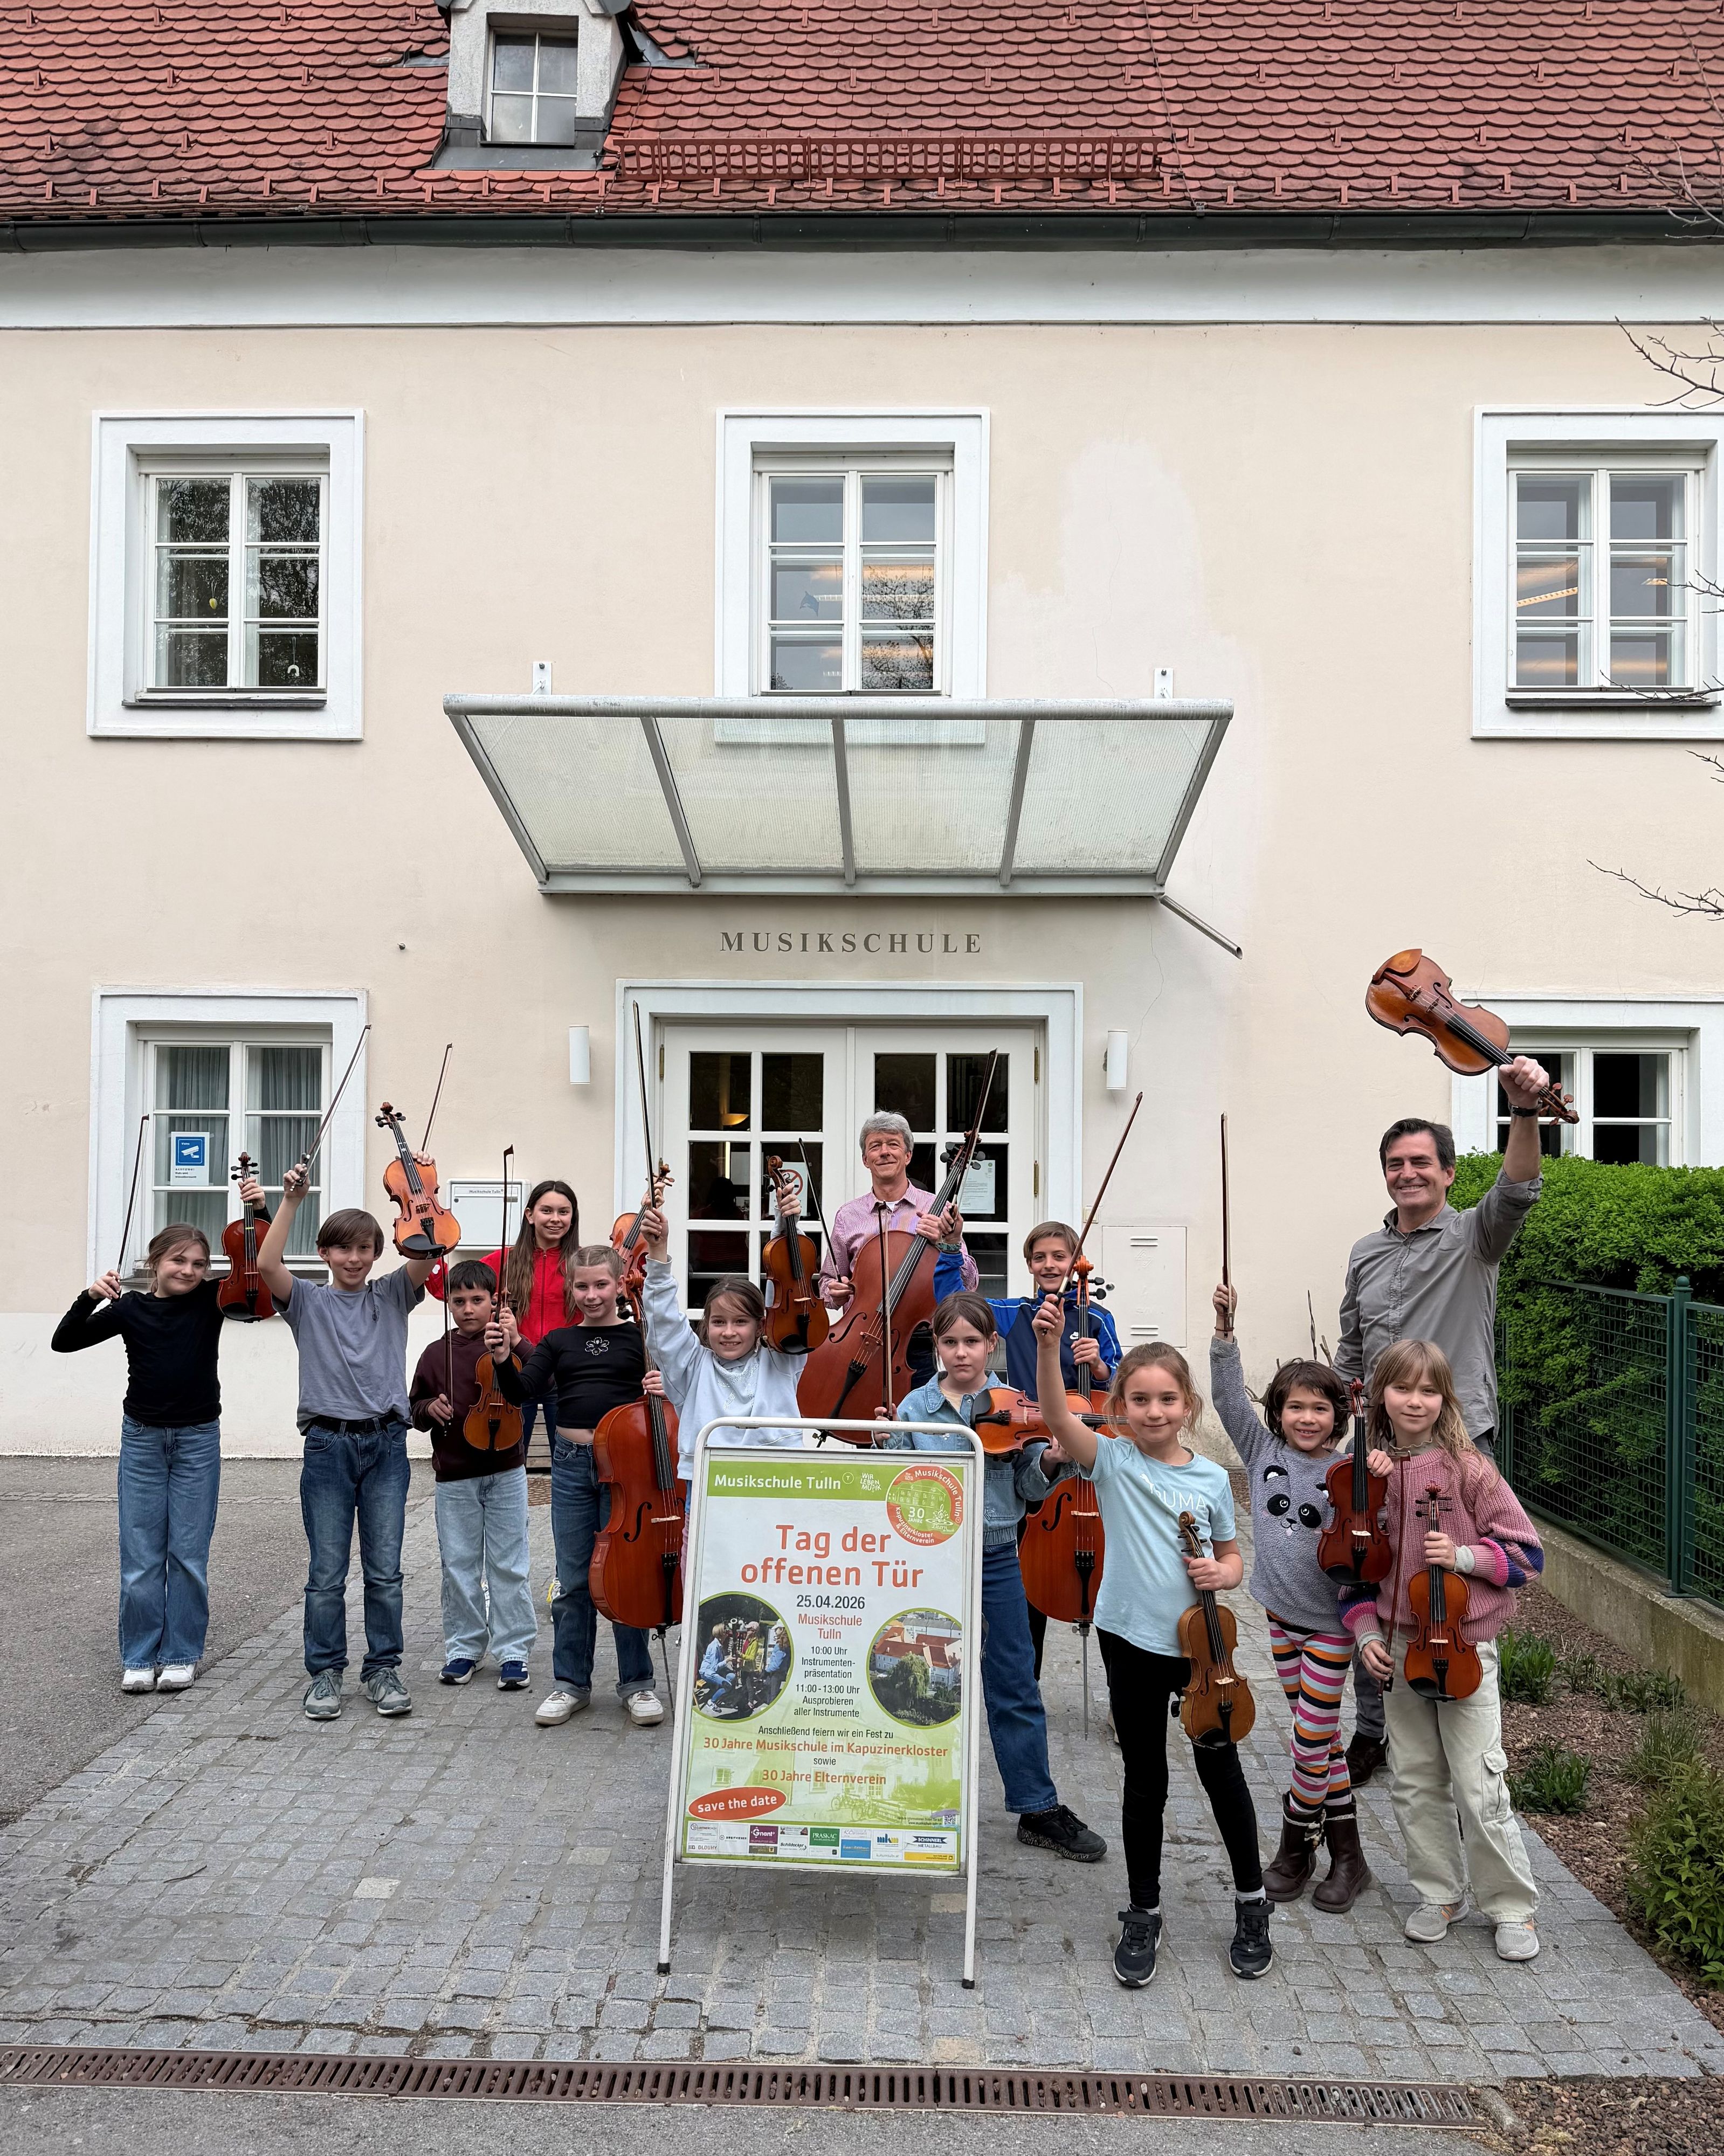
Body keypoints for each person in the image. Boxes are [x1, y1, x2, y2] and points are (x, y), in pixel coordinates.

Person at [1032, 1295, 1271, 1988]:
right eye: (1139, 1399)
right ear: (1120, 1405)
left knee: (1221, 1770)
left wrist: (1220, 1571)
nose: (1154, 1411)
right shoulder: (1111, 1462)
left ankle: (1252, 1904)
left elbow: (1232, 1559)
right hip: (1130, 1639)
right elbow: (1054, 1415)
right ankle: (1143, 1909)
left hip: (1204, 1650)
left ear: (1188, 1403)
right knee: (1146, 1777)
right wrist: (1049, 1348)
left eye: (1167, 1398)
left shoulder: (1210, 1479)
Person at [1335, 1071, 1549, 1786]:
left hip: (1455, 1444)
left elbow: (1517, 1188)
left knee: (1446, 1586)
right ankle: (1377, 1729)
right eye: (1394, 1165)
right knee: (1374, 1581)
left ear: (1448, 1173)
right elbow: (1353, 1348)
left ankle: (1460, 1721)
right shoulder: (1365, 1251)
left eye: (1420, 1162)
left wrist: (1522, 1109)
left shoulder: (1472, 1238)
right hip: (1376, 1445)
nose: (1406, 1174)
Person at [1342, 1339, 1544, 1962]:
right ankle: (1439, 1893)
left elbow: (1528, 1558)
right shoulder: (1365, 1473)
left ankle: (1511, 1906)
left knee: (1479, 1782)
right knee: (1413, 1780)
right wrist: (1367, 1633)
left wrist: (1461, 1557)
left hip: (1464, 1643)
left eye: (1429, 1391)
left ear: (1444, 1399)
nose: (1415, 1401)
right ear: (1382, 1395)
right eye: (1403, 1388)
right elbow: (1349, 1572)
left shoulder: (1468, 1468)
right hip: (1400, 1645)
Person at [886, 1292, 1107, 1865]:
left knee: (1014, 1682)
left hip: (999, 1556)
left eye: (973, 1342)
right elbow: (897, 1492)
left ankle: (1036, 1806)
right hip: (931, 1564)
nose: (962, 1353)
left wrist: (1053, 1461)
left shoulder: (1016, 1403)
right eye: (951, 1342)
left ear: (992, 1345)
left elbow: (1029, 1491)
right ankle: (913, 1799)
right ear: (937, 1346)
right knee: (920, 1681)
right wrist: (889, 1450)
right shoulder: (914, 1409)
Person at [244, 1163, 439, 1722]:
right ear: (325, 1253)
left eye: (364, 1249)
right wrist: (291, 1200)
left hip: (386, 1447)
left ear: (377, 1253)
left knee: (385, 1570)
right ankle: (325, 1673)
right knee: (327, 1572)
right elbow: (265, 1263)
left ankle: (382, 1669)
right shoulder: (307, 1301)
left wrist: (421, 1197)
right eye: (343, 1249)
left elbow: (428, 1251)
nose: (354, 1259)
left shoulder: (393, 1294)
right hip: (328, 1447)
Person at [1210, 1283, 1368, 1911]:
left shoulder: (1351, 1468)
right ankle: (1351, 1858)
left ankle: (1296, 1844)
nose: (1308, 1418)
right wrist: (1225, 1334)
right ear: (1277, 1414)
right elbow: (1226, 1398)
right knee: (1323, 1741)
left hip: (1332, 1626)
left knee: (1308, 1741)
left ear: (1339, 1415)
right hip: (1280, 1618)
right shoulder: (1261, 1452)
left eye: (1320, 1409)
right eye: (1296, 1407)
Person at [489, 1245, 665, 1731]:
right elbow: (521, 1391)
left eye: (601, 1285)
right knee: (572, 1579)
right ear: (571, 1288)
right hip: (569, 1466)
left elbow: (668, 1397)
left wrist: (661, 1385)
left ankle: (637, 1683)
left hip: (627, 1467)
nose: (591, 1295)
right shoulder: (558, 1341)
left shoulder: (639, 1338)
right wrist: (504, 1356)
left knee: (627, 1573)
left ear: (617, 1285)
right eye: (582, 1286)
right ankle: (571, 1684)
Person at [936, 1219, 1122, 1679]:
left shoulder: (1096, 1318)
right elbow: (953, 1302)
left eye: (1059, 1257)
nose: (1050, 1265)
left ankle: (1120, 1689)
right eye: (1040, 1258)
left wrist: (1098, 1365)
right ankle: (1027, 1678)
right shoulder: (1016, 1311)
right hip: (1031, 1449)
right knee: (1030, 1570)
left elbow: (1120, 1389)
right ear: (1029, 1265)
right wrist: (949, 1247)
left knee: (1106, 1569)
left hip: (1084, 1450)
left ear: (1075, 1262)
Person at [52, 1224, 226, 1694]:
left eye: (198, 1264)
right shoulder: (129, 1308)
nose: (188, 1271)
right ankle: (139, 1656)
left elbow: (260, 1275)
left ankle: (181, 1655)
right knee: (141, 1555)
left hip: (197, 1439)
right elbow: (64, 1341)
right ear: (155, 1263)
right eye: (178, 1261)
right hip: (144, 1440)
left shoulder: (213, 1300)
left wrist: (260, 1208)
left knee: (188, 1553)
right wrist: (90, 1295)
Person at [408, 1259, 537, 1693]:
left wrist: (516, 1343)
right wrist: (429, 1409)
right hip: (455, 1475)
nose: (467, 1309)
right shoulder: (434, 1353)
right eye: (458, 1301)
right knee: (459, 1566)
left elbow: (544, 1378)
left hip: (507, 1471)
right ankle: (463, 1647)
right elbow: (414, 1409)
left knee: (509, 1565)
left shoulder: (509, 1345)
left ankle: (514, 1652)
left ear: (493, 1301)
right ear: (447, 1302)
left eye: (477, 1300)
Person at [636, 1199, 810, 1463]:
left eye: (740, 1322)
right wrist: (658, 1249)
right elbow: (664, 1321)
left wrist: (785, 1228)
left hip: (777, 1482)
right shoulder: (691, 1368)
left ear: (761, 1325)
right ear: (706, 1325)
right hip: (709, 1486)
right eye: (719, 1322)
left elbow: (788, 1297)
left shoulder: (779, 1360)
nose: (729, 1332)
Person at [430, 1178, 581, 1460]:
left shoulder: (582, 1266)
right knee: (509, 1459)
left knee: (570, 1461)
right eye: (547, 1210)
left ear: (573, 1218)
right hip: (515, 1372)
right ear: (529, 1214)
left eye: (564, 1212)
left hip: (565, 1375)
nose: (555, 1219)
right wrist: (425, 1240)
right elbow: (447, 1289)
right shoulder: (503, 1261)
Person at [817, 1112, 976, 1380]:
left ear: (908, 1155)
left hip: (917, 1341)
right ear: (865, 1160)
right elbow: (827, 1283)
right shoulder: (848, 1215)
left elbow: (969, 1285)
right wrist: (836, 1292)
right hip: (858, 1339)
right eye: (875, 1146)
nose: (884, 1152)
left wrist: (950, 1243)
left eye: (893, 1144)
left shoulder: (939, 1210)